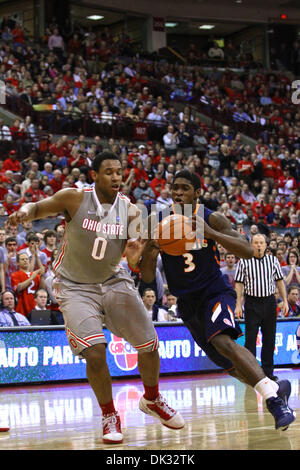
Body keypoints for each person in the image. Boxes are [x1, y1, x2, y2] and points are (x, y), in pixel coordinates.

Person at [8, 151, 184, 444]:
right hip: (75, 285)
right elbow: (37, 206)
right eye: (109, 172)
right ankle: (109, 414)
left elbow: (134, 261)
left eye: (119, 172)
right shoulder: (74, 198)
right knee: (95, 351)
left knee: (150, 345)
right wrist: (25, 212)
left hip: (114, 280)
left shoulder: (130, 211)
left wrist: (147, 250)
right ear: (95, 176)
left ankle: (152, 399)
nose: (117, 177)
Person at [139, 169, 295, 431]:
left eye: (185, 188)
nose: (177, 192)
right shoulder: (159, 222)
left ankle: (275, 402)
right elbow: (145, 277)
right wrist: (151, 251)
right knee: (229, 365)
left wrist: (212, 234)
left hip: (214, 292)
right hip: (187, 303)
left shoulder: (211, 218)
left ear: (198, 193)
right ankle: (276, 387)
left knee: (223, 340)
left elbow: (248, 251)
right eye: (174, 187)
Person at [235, 234, 289, 381]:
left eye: (261, 243)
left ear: (266, 245)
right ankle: (251, 374)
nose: (259, 245)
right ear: (251, 245)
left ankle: (268, 373)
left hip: (269, 302)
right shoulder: (244, 262)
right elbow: (239, 284)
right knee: (250, 340)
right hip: (252, 303)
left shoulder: (272, 261)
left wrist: (285, 300)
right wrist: (238, 304)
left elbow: (279, 281)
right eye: (256, 243)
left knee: (269, 339)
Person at [11, 252, 44, 317]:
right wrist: (32, 277)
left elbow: (42, 289)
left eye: (26, 259)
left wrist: (41, 276)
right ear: (17, 263)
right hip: (22, 309)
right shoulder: (15, 275)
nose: (25, 260)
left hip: (35, 307)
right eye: (22, 259)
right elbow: (18, 288)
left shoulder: (35, 275)